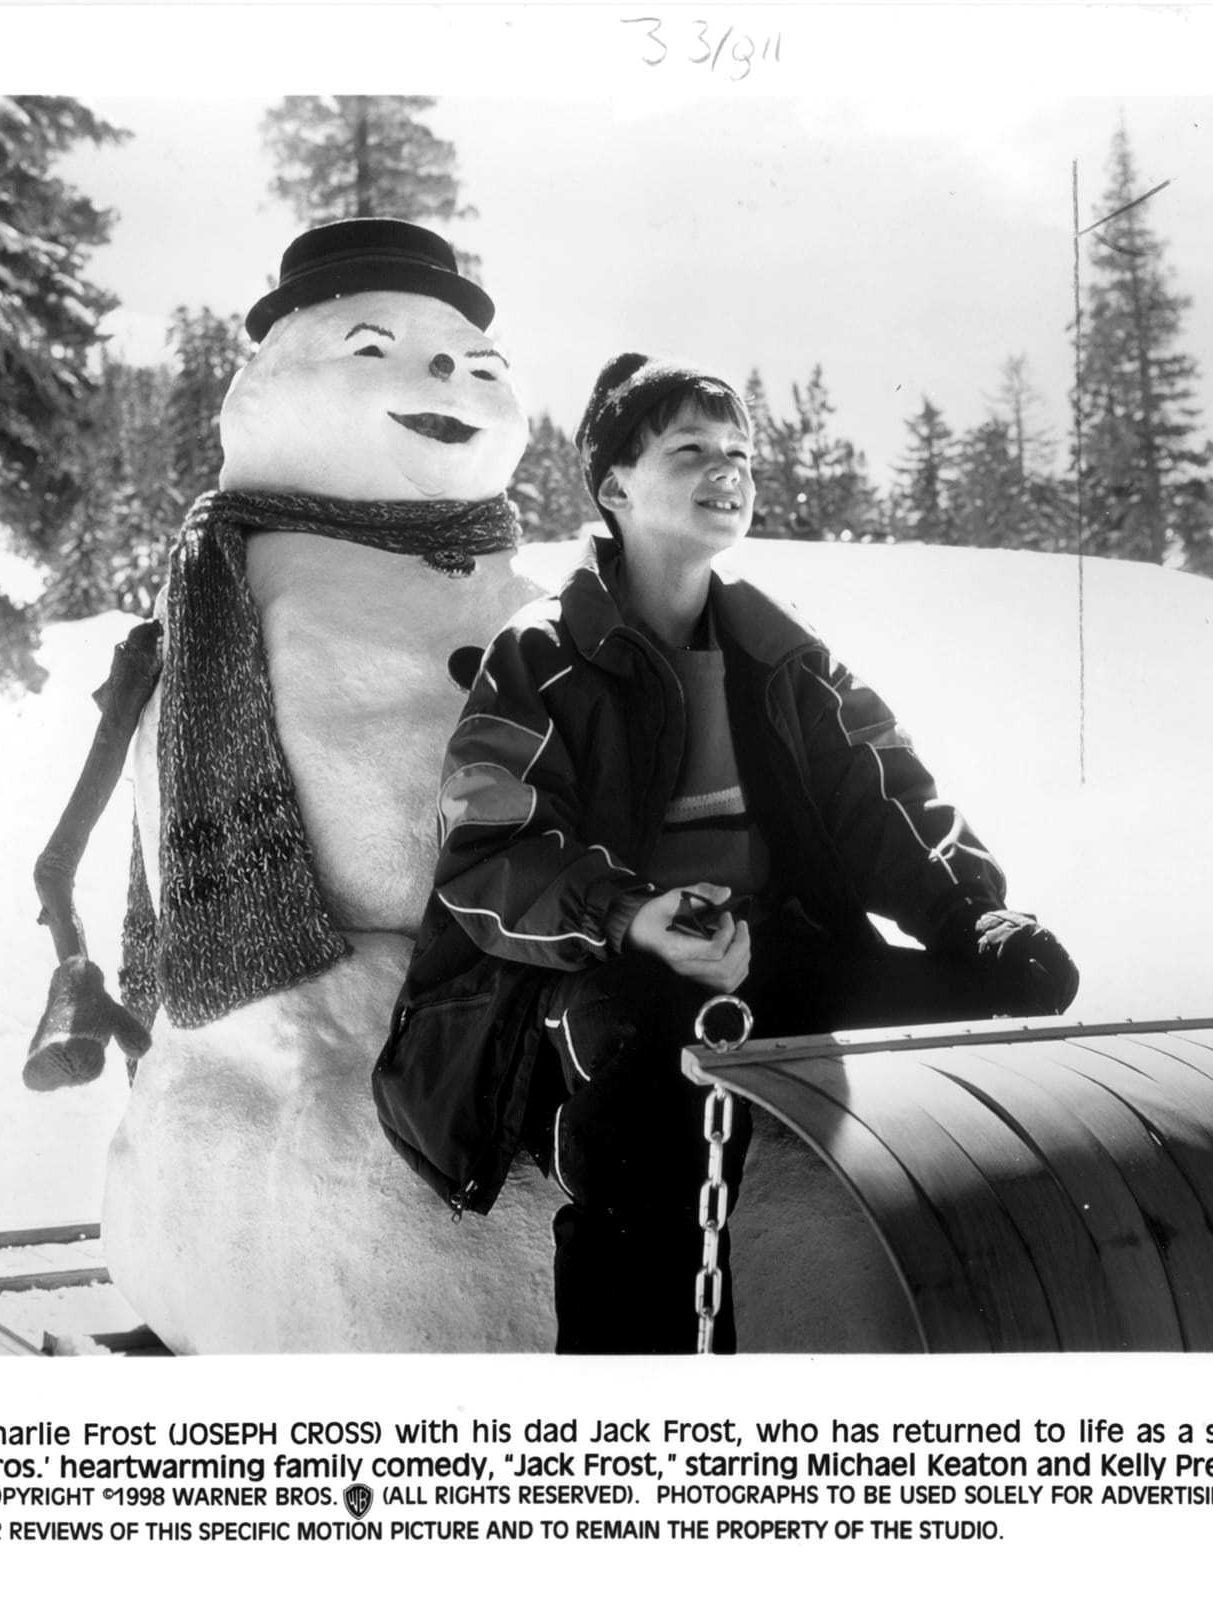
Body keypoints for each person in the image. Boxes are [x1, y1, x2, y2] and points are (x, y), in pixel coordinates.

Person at [373, 353, 1079, 1354]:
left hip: (774, 957)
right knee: (657, 1087)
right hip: (593, 974)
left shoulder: (782, 658)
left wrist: (975, 915)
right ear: (613, 485)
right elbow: (490, 848)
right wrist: (628, 917)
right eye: (690, 449)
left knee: (1004, 1012)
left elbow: (890, 805)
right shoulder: (540, 654)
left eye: (740, 452)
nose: (728, 471)